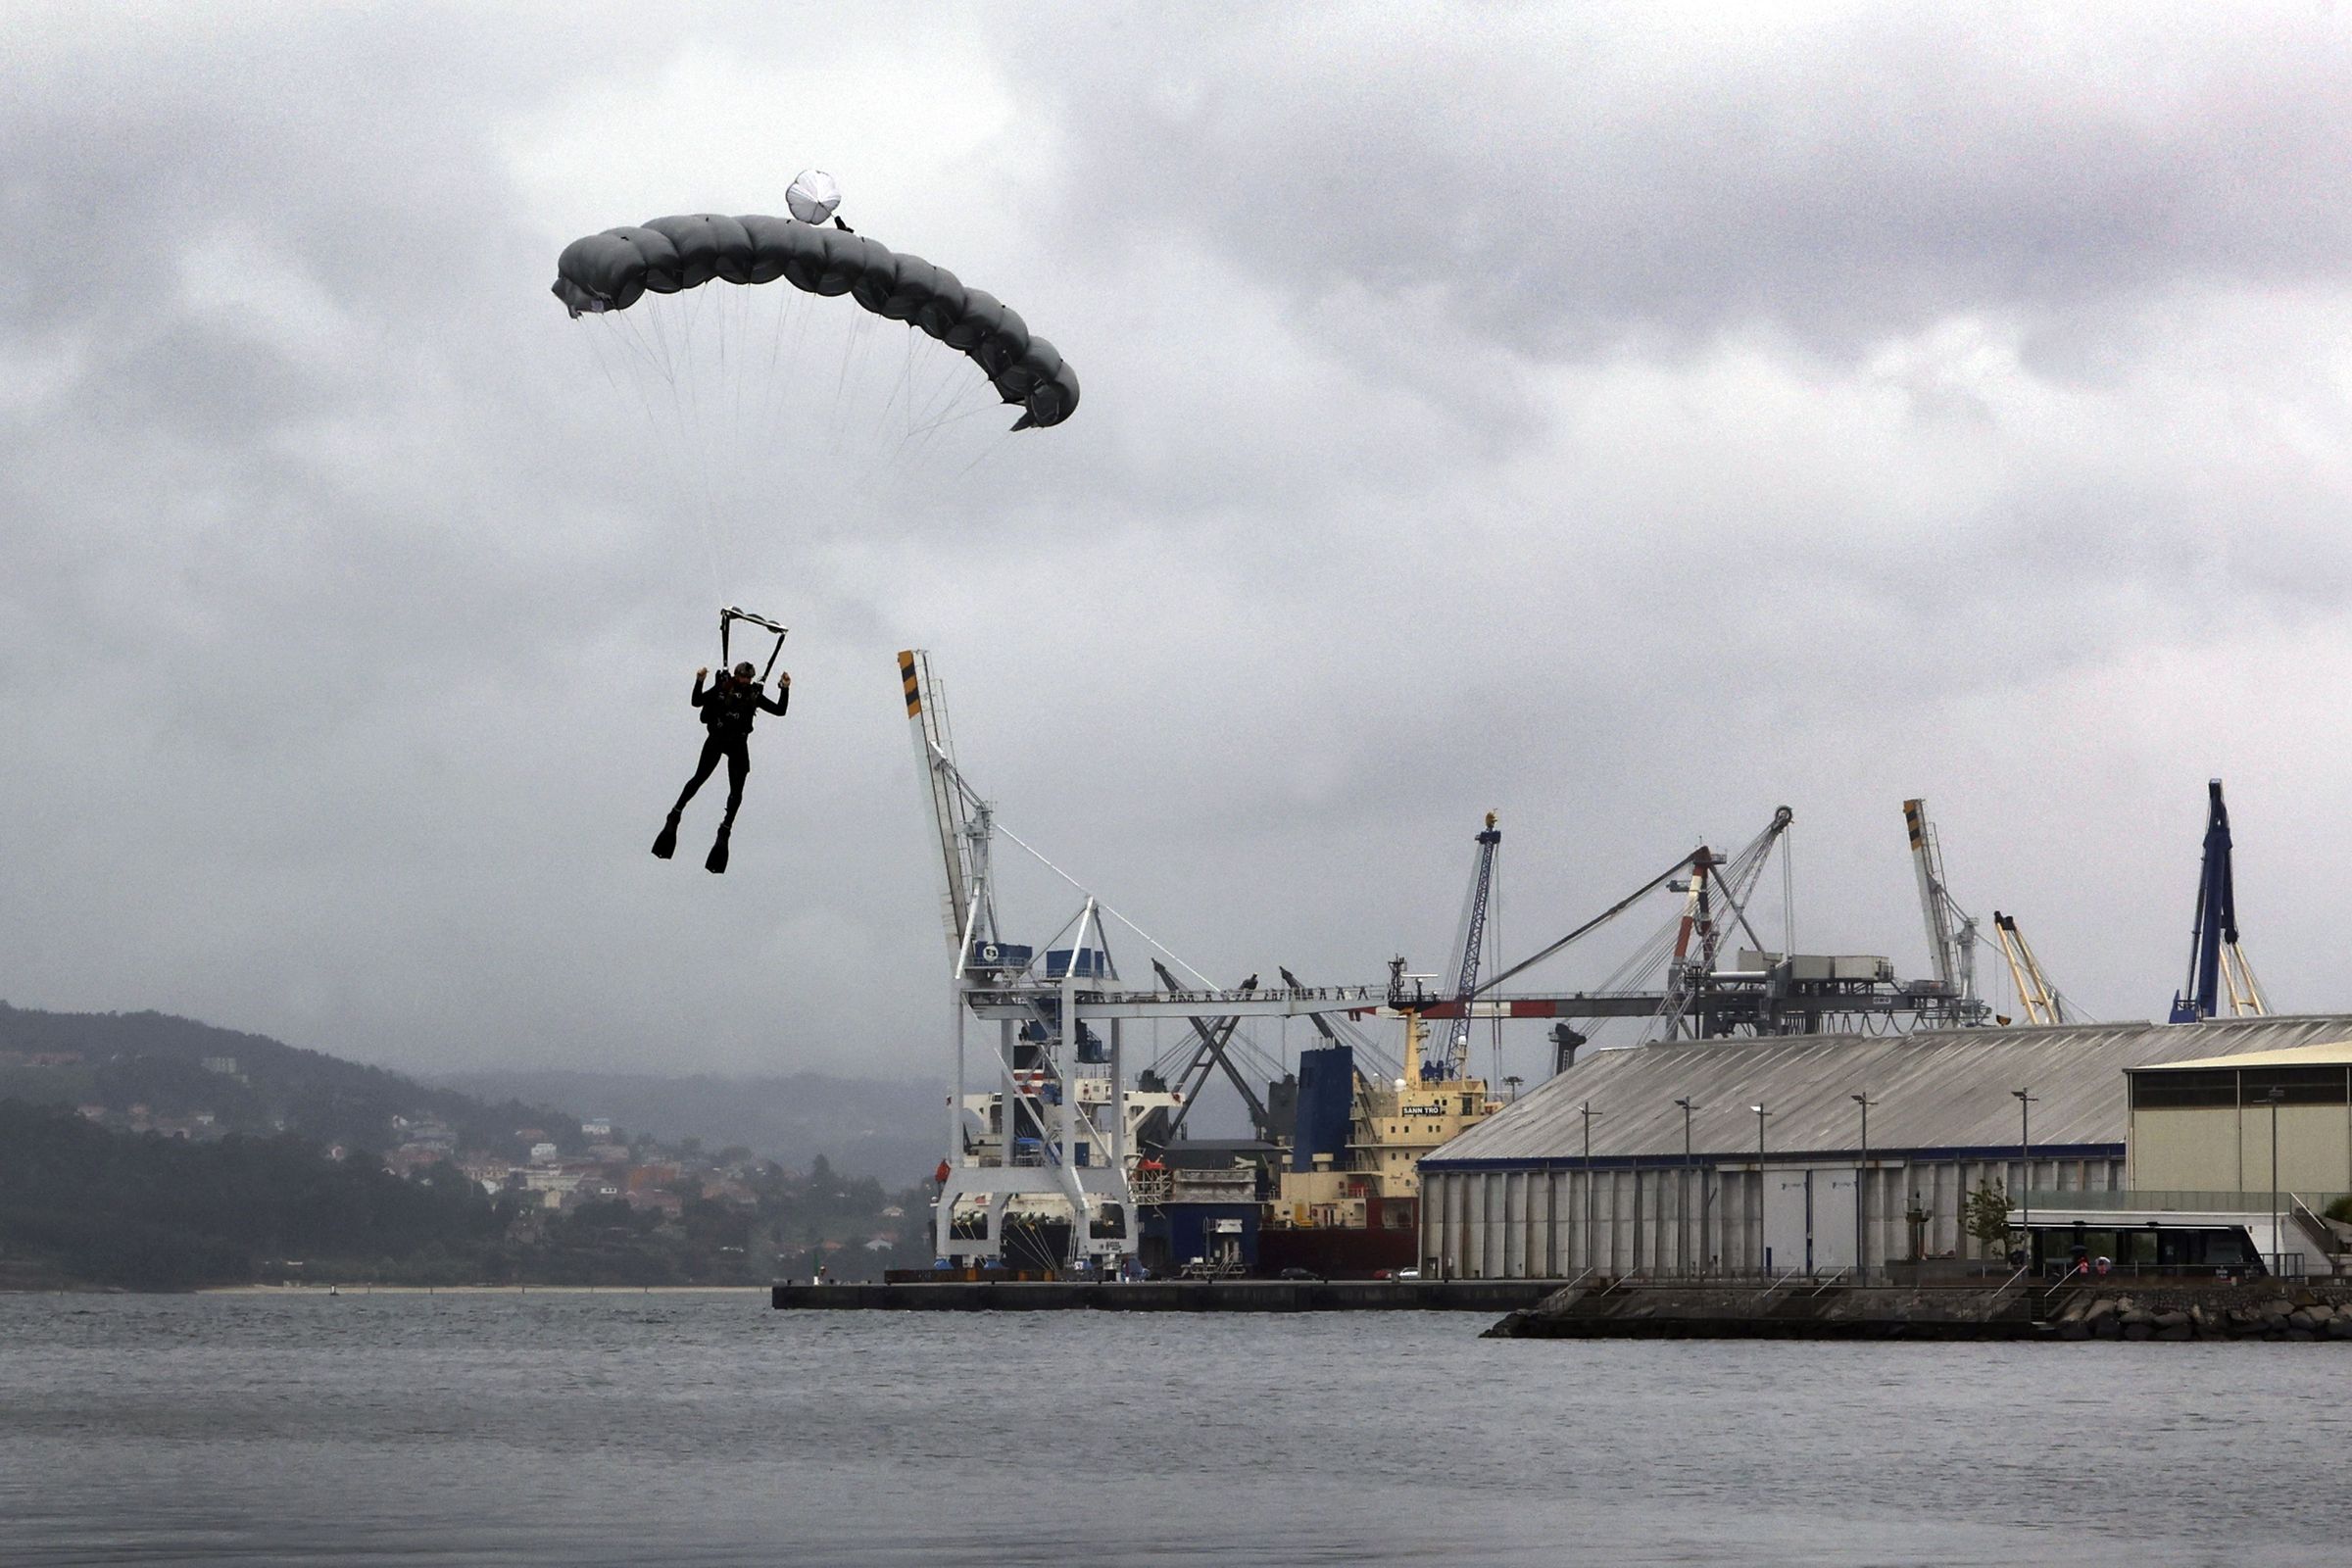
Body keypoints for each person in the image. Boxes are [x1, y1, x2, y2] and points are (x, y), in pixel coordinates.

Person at [653, 661, 789, 873]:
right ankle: (675, 814)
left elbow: (780, 711)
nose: (745, 681)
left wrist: (785, 688)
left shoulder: (753, 694)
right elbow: (696, 702)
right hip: (717, 738)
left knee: (736, 793)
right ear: (736, 675)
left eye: (748, 678)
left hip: (737, 744)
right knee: (698, 778)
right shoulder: (722, 688)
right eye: (743, 677)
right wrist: (699, 681)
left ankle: (725, 829)